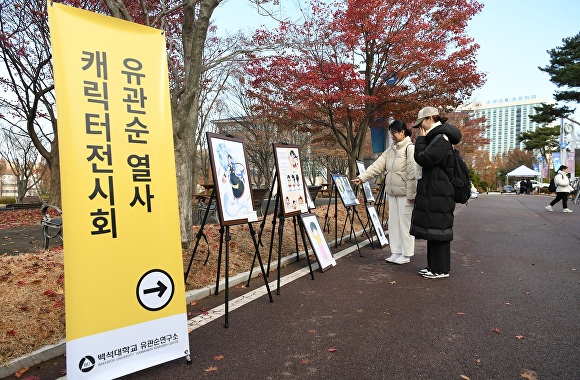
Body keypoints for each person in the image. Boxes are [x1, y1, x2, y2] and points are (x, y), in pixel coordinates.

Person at [352, 120, 417, 265]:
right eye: (391, 132)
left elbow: (413, 174)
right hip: (392, 193)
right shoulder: (391, 150)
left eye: (394, 132)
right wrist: (362, 178)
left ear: (402, 132)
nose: (392, 135)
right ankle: (396, 252)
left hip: (405, 194)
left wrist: (412, 195)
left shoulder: (410, 149)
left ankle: (406, 254)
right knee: (393, 224)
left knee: (404, 224)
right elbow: (377, 166)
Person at [409, 106, 461, 279]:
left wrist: (421, 141)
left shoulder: (441, 137)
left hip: (440, 190)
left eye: (422, 122)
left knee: (439, 231)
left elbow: (424, 158)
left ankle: (440, 270)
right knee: (434, 229)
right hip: (437, 189)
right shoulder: (438, 136)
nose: (420, 128)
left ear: (430, 118)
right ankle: (434, 267)